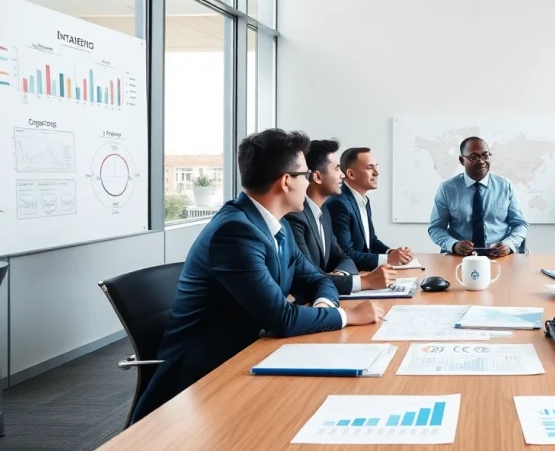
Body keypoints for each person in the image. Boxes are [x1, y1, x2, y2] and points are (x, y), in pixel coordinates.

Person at [131, 129, 385, 424]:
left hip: (249, 356)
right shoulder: (236, 232)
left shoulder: (276, 226)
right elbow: (282, 318)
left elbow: (319, 280)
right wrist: (346, 316)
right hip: (200, 387)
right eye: (305, 175)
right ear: (286, 181)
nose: (309, 182)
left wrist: (325, 307)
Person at [286, 139, 396, 295]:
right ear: (317, 177)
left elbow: (344, 258)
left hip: (327, 295)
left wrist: (342, 274)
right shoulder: (295, 217)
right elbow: (307, 277)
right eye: (337, 169)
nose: (342, 175)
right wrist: (365, 281)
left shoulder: (323, 212)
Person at [428, 137, 528, 257]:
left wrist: (508, 244)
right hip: (459, 257)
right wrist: (453, 244)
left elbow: (520, 224)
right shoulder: (447, 189)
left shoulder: (505, 186)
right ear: (461, 160)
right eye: (473, 157)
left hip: (498, 256)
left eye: (485, 155)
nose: (481, 161)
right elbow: (436, 228)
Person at [325, 147, 413, 270]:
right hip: (348, 276)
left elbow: (370, 240)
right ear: (350, 174)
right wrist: (387, 260)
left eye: (376, 166)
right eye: (370, 168)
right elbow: (345, 253)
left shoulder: (364, 200)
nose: (377, 172)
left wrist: (392, 253)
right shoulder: (339, 204)